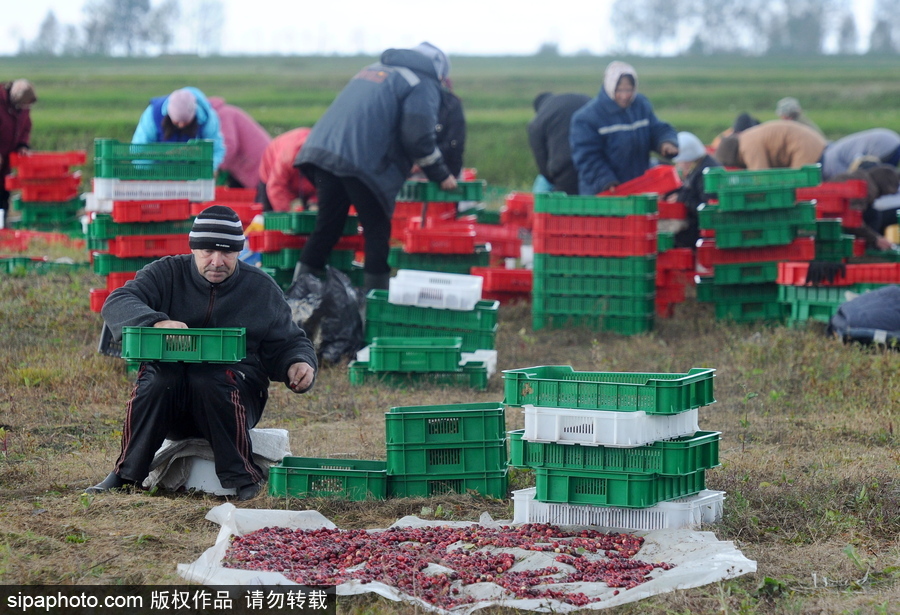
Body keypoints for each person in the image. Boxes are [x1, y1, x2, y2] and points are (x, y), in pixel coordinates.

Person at [87, 205, 318, 501]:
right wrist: (156, 321)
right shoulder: (166, 273)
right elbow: (118, 300)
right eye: (208, 251)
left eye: (227, 253)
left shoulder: (261, 289)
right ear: (193, 248)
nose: (217, 262)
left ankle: (244, 478)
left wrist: (298, 363)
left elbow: (290, 341)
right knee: (159, 376)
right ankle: (126, 474)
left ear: (239, 252)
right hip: (170, 405)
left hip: (236, 397)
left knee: (208, 375)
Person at [295, 42, 457, 292]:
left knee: (327, 227)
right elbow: (418, 137)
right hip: (362, 162)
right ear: (440, 72)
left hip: (323, 153)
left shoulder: (374, 70)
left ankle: (297, 297)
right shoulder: (422, 82)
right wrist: (441, 174)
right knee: (377, 232)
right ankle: (374, 303)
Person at [570, 61, 678, 195]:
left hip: (638, 187)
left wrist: (666, 142)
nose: (625, 96)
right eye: (619, 90)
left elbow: (656, 128)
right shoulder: (586, 118)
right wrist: (605, 181)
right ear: (609, 87)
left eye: (629, 90)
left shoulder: (640, 105)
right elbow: (586, 157)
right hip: (603, 193)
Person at [132, 87, 226, 172]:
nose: (181, 125)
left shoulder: (207, 118)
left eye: (186, 122)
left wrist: (210, 169)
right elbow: (140, 148)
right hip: (158, 171)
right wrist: (148, 174)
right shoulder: (152, 115)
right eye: (177, 122)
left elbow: (216, 148)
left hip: (192, 174)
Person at [527, 91, 590, 195]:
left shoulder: (539, 119)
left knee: (567, 203)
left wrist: (550, 177)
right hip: (597, 165)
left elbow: (541, 157)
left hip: (565, 168)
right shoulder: (580, 100)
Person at [667, 131, 722, 248]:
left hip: (703, 229)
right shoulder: (700, 166)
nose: (678, 165)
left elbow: (705, 207)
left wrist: (683, 199)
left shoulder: (705, 173)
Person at [208, 96, 271, 189]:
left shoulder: (223, 114)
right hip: (247, 168)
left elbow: (228, 146)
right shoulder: (217, 117)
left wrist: (213, 166)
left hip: (259, 166)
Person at [715, 119, 826, 170]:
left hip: (804, 148)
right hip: (809, 142)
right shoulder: (746, 139)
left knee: (798, 186)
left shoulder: (748, 148)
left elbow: (761, 176)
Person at [0, 79, 36, 228]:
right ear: (14, 98)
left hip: (7, 158)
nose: (23, 108)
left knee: (3, 190)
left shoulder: (23, 108)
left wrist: (23, 144)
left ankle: (2, 225)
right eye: (21, 104)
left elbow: (26, 127)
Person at [257, 128, 317, 212]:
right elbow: (276, 187)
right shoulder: (288, 157)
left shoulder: (324, 160)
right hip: (272, 174)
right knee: (265, 212)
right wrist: (287, 214)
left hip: (301, 183)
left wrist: (314, 202)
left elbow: (324, 187)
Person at [820, 128, 900, 181]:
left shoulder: (829, 166)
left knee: (873, 180)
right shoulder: (831, 152)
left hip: (881, 147)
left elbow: (851, 177)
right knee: (888, 179)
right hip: (891, 138)